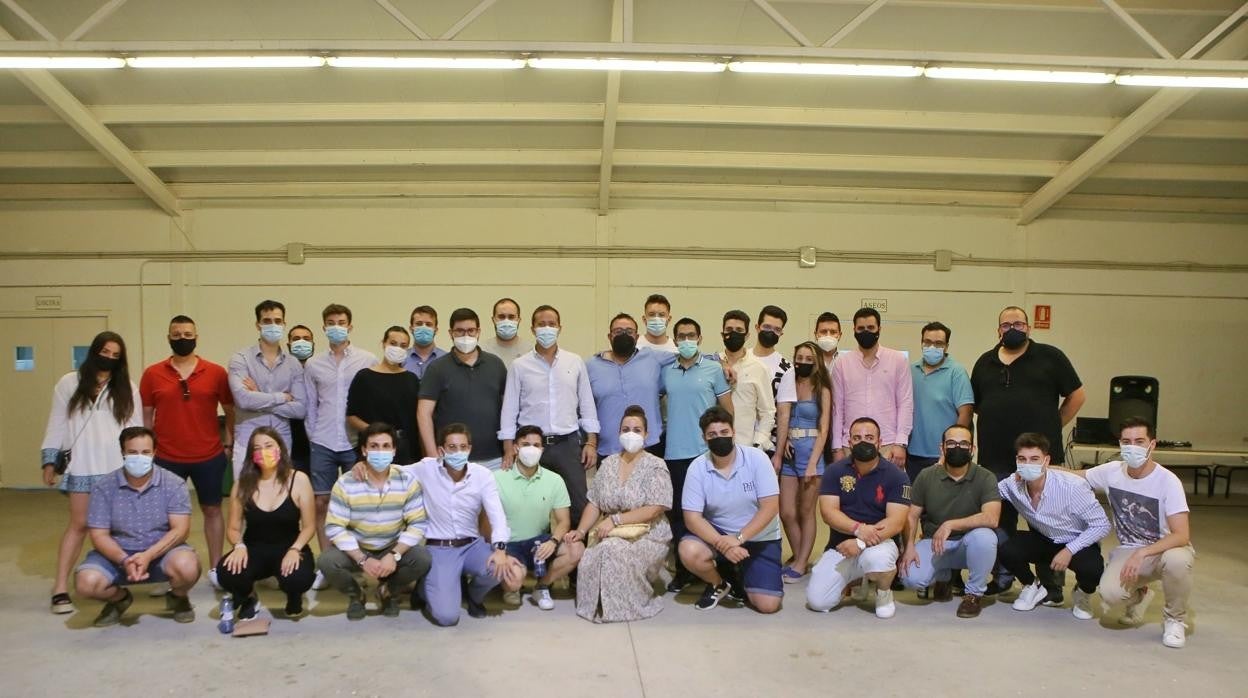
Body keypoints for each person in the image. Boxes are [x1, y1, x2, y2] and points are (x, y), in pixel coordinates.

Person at [970, 305, 1085, 592]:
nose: (1012, 328)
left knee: (1046, 520)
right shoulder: (984, 362)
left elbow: (1077, 395)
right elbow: (976, 405)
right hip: (995, 458)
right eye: (1006, 324)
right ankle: (1004, 577)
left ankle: (1051, 582)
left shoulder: (1050, 357)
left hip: (1040, 461)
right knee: (1001, 520)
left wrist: (1053, 425)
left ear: (1029, 328)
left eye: (1018, 324)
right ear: (998, 330)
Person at [41, 331, 142, 615]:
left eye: (115, 354)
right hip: (83, 466)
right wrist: (49, 460)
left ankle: (116, 580)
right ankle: (60, 587)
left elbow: (136, 428)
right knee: (79, 525)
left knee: (119, 530)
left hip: (117, 468)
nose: (108, 358)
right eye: (104, 351)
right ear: (94, 351)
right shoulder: (69, 383)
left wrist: (138, 465)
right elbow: (57, 424)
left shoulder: (127, 387)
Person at [1081, 417, 1193, 649]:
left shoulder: (1168, 481)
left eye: (1139, 441)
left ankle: (1175, 620)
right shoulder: (1112, 471)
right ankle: (1141, 595)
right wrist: (1041, 468)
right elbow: (1077, 475)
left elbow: (1181, 535)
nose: (1132, 447)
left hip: (1165, 548)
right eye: (1126, 441)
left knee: (1177, 561)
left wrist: (1143, 553)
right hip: (1129, 550)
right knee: (1110, 594)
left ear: (1152, 444)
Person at [141, 315, 235, 588]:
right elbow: (147, 416)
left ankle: (217, 569)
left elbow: (230, 412)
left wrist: (228, 443)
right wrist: (148, 452)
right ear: (168, 337)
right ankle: (162, 570)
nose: (183, 338)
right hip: (166, 458)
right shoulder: (152, 374)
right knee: (164, 518)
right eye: (177, 334)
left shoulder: (216, 373)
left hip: (209, 455)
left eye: (187, 333)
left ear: (196, 337)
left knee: (213, 510)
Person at [74, 426, 199, 626]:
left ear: (155, 453)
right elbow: (99, 535)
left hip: (160, 553)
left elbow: (180, 529)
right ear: (122, 452)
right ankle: (119, 599)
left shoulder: (173, 484)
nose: (139, 457)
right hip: (117, 555)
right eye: (132, 452)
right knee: (85, 584)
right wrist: (125, 560)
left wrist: (148, 555)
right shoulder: (103, 487)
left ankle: (179, 597)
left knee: (188, 566)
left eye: (145, 452)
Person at [566, 406, 673, 623]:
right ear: (619, 433)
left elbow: (655, 508)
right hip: (609, 530)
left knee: (613, 550)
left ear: (646, 434)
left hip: (648, 531)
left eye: (637, 429)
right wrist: (581, 530)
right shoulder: (608, 465)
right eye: (626, 429)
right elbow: (594, 502)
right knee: (592, 553)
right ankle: (597, 603)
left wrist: (615, 520)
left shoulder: (656, 466)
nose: (631, 434)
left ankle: (623, 607)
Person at [499, 304, 600, 525]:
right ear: (533, 328)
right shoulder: (519, 365)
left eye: (551, 324)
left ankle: (573, 556)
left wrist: (591, 442)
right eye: (541, 324)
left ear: (559, 328)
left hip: (568, 445)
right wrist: (508, 448)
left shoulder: (574, 362)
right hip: (531, 447)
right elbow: (509, 409)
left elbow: (587, 404)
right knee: (533, 506)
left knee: (578, 504)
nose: (547, 328)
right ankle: (537, 555)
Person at [320, 423, 431, 620]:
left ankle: (388, 591)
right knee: (327, 562)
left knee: (422, 558)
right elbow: (335, 527)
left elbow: (417, 524)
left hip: (391, 545)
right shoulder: (346, 482)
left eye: (386, 446)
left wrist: (395, 555)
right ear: (364, 450)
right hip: (359, 546)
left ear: (394, 450)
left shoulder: (407, 480)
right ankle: (357, 595)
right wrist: (361, 558)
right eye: (374, 446)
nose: (380, 451)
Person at [678, 407, 782, 613]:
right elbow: (692, 518)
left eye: (724, 432)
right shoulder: (697, 467)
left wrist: (740, 538)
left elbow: (770, 507)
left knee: (768, 606)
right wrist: (725, 544)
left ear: (733, 432)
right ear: (704, 438)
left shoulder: (757, 459)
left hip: (759, 538)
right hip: (720, 536)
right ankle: (719, 583)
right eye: (712, 435)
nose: (719, 438)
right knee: (689, 550)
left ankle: (740, 573)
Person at [805, 417, 910, 618]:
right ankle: (853, 579)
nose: (863, 442)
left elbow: (896, 522)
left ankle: (883, 592)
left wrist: (861, 542)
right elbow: (828, 513)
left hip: (880, 544)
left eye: (869, 437)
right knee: (817, 601)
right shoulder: (834, 472)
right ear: (849, 442)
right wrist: (858, 530)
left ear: (880, 442)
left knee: (878, 559)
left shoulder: (896, 476)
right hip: (841, 547)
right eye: (857, 437)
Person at [998, 432, 1109, 620]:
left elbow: (1102, 525)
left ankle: (1083, 593)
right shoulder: (1012, 484)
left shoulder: (1072, 486)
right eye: (1022, 459)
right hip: (1044, 538)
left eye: (1034, 459)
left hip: (1076, 541)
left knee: (1093, 570)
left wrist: (1069, 550)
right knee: (1006, 547)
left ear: (1046, 460)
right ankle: (1032, 586)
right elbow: (986, 493)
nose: (1028, 464)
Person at [410, 424, 513, 626]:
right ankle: (424, 586)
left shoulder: (482, 475)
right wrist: (363, 467)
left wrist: (500, 548)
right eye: (452, 447)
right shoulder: (426, 469)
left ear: (469, 449)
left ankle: (474, 597)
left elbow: (497, 515)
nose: (458, 452)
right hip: (439, 548)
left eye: (463, 447)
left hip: (472, 545)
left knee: (500, 568)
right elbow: (393, 471)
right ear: (441, 450)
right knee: (447, 617)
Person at [661, 317, 733, 591]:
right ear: (675, 339)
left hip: (707, 454)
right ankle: (684, 571)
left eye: (691, 335)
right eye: (681, 336)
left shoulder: (714, 369)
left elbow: (727, 411)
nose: (686, 340)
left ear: (700, 338)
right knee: (679, 515)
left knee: (710, 514)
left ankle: (717, 569)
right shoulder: (666, 370)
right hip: (675, 454)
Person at [899, 424, 1001, 618]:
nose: (958, 448)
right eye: (952, 443)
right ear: (942, 448)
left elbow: (991, 517)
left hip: (969, 545)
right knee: (909, 577)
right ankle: (944, 577)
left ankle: (973, 594)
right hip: (935, 543)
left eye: (964, 444)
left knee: (986, 537)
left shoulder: (986, 477)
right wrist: (909, 546)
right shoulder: (926, 476)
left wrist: (951, 524)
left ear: (973, 449)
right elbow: (911, 515)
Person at [216, 426, 317, 619]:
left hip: (290, 547)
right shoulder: (242, 484)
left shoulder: (299, 479)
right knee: (227, 572)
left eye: (269, 445)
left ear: (280, 448)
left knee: (298, 579)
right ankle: (248, 598)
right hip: (254, 548)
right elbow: (233, 527)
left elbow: (309, 526)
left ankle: (294, 595)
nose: (263, 451)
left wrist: (295, 549)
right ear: (251, 454)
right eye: (257, 448)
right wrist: (238, 546)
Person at [305, 304, 378, 559]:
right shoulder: (313, 365)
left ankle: (355, 558)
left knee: (357, 503)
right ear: (324, 327)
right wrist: (313, 434)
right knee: (321, 502)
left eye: (342, 322)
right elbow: (310, 405)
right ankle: (327, 560)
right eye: (332, 322)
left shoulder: (367, 360)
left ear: (350, 326)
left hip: (354, 443)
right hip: (322, 441)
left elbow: (371, 401)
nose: (337, 326)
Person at [496, 425, 583, 610]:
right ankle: (511, 585)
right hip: (508, 544)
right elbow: (485, 523)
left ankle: (542, 586)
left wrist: (553, 541)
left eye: (536, 445)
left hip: (539, 544)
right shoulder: (497, 478)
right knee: (513, 582)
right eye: (525, 444)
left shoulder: (554, 480)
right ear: (515, 448)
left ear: (542, 449)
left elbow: (564, 521)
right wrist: (499, 551)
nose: (531, 449)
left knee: (576, 549)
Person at [418, 308, 508, 469]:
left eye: (471, 331)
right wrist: (432, 454)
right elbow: (423, 412)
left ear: (478, 332)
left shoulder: (496, 364)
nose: (466, 336)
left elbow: (509, 409)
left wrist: (508, 449)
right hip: (451, 457)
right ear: (450, 333)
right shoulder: (437, 368)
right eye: (459, 331)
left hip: (494, 458)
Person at [772, 341, 831, 582]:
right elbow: (783, 416)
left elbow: (824, 429)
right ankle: (801, 558)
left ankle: (800, 562)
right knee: (786, 511)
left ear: (817, 362)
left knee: (806, 512)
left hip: (811, 453)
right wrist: (783, 441)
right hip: (789, 452)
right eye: (800, 357)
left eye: (809, 358)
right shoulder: (788, 382)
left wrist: (812, 462)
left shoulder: (822, 389)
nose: (803, 362)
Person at [228, 300, 307, 478]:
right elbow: (243, 400)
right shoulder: (240, 359)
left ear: (284, 324)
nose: (273, 325)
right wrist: (282, 397)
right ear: (258, 325)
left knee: (280, 495)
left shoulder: (293, 363)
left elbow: (300, 409)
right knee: (244, 495)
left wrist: (259, 397)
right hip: (248, 439)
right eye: (267, 321)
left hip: (281, 440)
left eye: (278, 321)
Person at [831, 307, 913, 468]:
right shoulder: (842, 362)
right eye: (861, 328)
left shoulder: (898, 360)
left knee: (887, 492)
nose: (865, 332)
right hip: (850, 444)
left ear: (879, 329)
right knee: (850, 491)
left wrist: (901, 443)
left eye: (870, 328)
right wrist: (836, 447)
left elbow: (905, 403)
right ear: (854, 330)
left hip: (888, 443)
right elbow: (837, 408)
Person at [587, 312, 673, 461]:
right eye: (618, 331)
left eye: (629, 331)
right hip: (608, 449)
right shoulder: (591, 366)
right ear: (609, 336)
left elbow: (688, 356)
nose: (624, 335)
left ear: (637, 336)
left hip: (650, 446)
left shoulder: (652, 357)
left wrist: (722, 361)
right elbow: (584, 407)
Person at [908, 321, 974, 484]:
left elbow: (965, 413)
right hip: (913, 454)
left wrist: (952, 449)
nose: (932, 347)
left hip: (944, 455)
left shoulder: (956, 372)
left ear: (946, 346)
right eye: (928, 342)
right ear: (921, 343)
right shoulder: (910, 370)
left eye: (938, 343)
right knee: (915, 503)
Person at [347, 326, 422, 463]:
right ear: (383, 343)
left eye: (403, 345)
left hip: (405, 449)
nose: (397, 348)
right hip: (374, 447)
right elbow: (351, 416)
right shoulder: (364, 377)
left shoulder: (412, 379)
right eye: (393, 343)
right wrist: (378, 433)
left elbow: (417, 418)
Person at [720, 309, 776, 450]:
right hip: (712, 447)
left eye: (739, 330)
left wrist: (758, 443)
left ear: (747, 336)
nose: (733, 334)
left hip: (745, 447)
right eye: (729, 329)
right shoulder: (712, 365)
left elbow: (768, 412)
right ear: (722, 334)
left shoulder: (759, 369)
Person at [286, 325, 315, 474]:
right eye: (296, 339)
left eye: (306, 339)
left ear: (313, 345)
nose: (301, 342)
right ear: (288, 345)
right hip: (290, 441)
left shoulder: (320, 371)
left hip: (318, 443)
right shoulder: (281, 371)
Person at [479, 297, 528, 367]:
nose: (506, 321)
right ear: (493, 320)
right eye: (501, 317)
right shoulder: (481, 350)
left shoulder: (530, 351)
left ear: (518, 320)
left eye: (511, 317)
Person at [404, 305, 446, 379]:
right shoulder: (401, 358)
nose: (424, 327)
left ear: (436, 330)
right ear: (411, 328)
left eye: (428, 324)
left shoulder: (446, 359)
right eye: (419, 324)